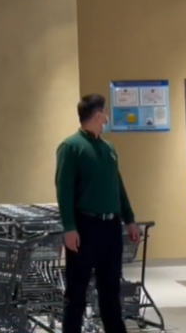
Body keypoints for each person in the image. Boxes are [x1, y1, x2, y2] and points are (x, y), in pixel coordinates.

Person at [56, 94, 141, 333]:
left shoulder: (108, 148)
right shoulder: (71, 147)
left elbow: (118, 185)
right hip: (85, 226)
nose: (107, 117)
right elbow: (64, 190)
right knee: (77, 291)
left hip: (110, 227)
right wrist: (69, 227)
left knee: (110, 290)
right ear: (97, 115)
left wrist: (130, 219)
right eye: (104, 112)